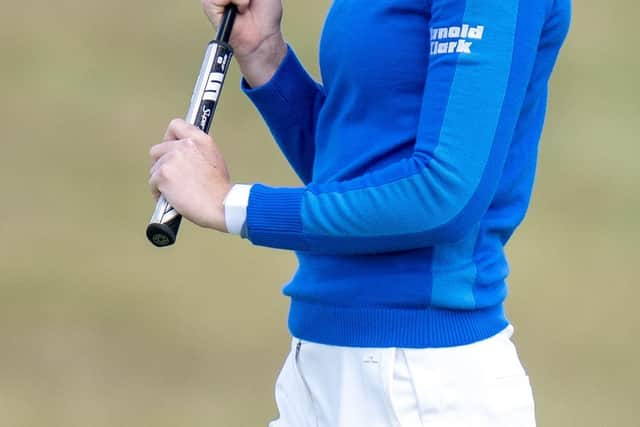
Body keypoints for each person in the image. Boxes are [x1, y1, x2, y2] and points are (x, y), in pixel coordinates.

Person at [149, 0, 571, 425]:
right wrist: (263, 52)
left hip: (422, 383)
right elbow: (353, 170)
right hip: (318, 365)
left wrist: (233, 205)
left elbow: (445, 197)